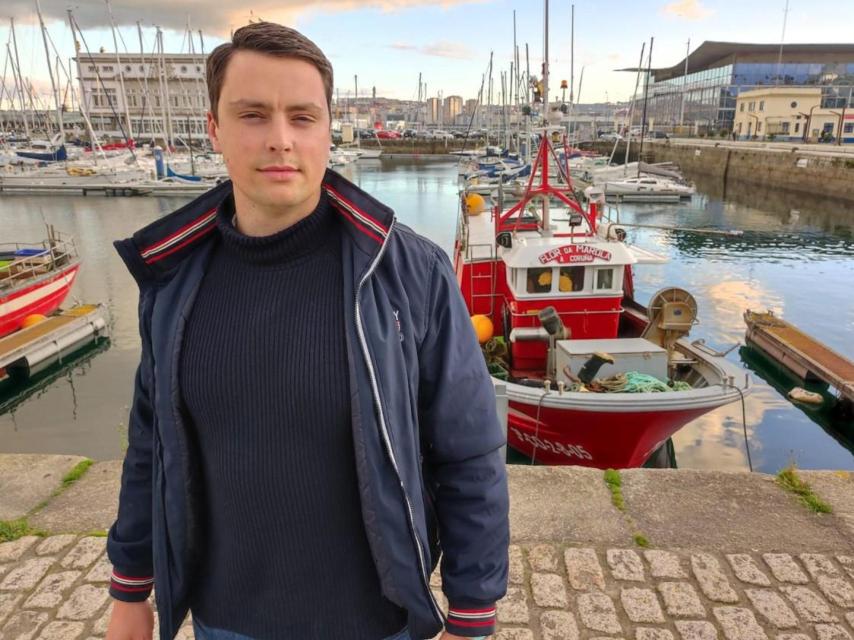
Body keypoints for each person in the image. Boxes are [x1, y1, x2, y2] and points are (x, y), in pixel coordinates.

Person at [105, 21, 509, 640]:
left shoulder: (408, 275)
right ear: (214, 129)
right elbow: (150, 442)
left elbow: (469, 451)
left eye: (302, 117)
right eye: (252, 115)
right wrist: (130, 588)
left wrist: (473, 615)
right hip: (225, 621)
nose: (280, 140)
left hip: (373, 622)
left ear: (328, 128)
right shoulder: (174, 278)